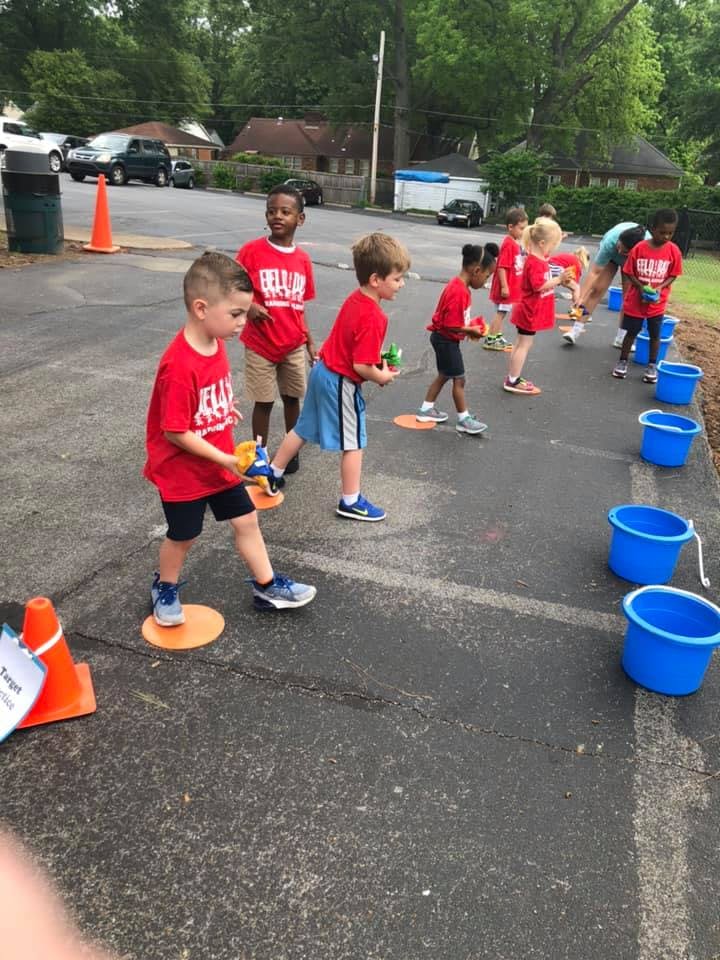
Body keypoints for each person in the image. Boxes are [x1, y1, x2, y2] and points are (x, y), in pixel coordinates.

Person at [144, 251, 316, 625]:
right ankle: (165, 586)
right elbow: (174, 430)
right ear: (202, 308)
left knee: (247, 521)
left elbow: (205, 400)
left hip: (218, 461)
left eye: (244, 313)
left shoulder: (216, 342)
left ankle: (267, 586)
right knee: (184, 535)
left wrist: (224, 408)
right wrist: (224, 459)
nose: (243, 323)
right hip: (184, 471)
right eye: (236, 314)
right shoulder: (179, 364)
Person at [266, 233, 410, 522]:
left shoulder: (355, 299)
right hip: (341, 382)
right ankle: (350, 500)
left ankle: (272, 474)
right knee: (354, 442)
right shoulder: (375, 316)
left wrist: (375, 361)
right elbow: (361, 366)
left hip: (323, 372)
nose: (401, 284)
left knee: (304, 428)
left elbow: (349, 343)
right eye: (397, 278)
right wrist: (382, 376)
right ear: (375, 279)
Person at [235, 184, 316, 475]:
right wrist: (249, 305)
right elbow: (231, 285)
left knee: (293, 397)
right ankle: (260, 454)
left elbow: (300, 306)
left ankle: (288, 451)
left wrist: (309, 342)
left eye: (285, 211)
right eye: (272, 211)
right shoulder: (252, 252)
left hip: (292, 343)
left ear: (300, 219)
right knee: (264, 402)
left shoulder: (303, 260)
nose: (277, 217)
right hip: (260, 344)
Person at [416, 243, 498, 434]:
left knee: (444, 374)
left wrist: (469, 328)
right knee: (459, 380)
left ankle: (426, 409)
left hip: (442, 338)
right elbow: (450, 324)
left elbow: (452, 320)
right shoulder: (459, 291)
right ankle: (464, 419)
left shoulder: (458, 286)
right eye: (487, 277)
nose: (486, 282)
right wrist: (471, 330)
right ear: (476, 270)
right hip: (446, 340)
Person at [503, 218, 574, 395]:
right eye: (552, 245)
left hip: (527, 309)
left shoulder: (538, 257)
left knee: (520, 344)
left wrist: (558, 236)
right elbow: (538, 285)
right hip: (529, 310)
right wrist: (559, 279)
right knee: (524, 345)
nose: (553, 250)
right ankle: (513, 380)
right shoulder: (536, 262)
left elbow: (543, 268)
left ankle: (513, 376)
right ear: (542, 243)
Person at [612, 208, 682, 383]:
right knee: (631, 333)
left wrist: (659, 288)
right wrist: (641, 287)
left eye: (670, 233)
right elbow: (628, 271)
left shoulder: (673, 251)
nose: (666, 236)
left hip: (657, 304)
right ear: (652, 229)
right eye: (662, 232)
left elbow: (673, 274)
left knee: (655, 335)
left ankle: (651, 365)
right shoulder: (639, 248)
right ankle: (622, 362)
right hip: (635, 302)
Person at [571, 221, 649, 347]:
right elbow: (595, 272)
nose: (620, 251)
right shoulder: (611, 241)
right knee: (596, 290)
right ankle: (574, 331)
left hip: (631, 262)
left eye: (623, 252)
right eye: (619, 247)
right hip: (611, 258)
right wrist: (580, 296)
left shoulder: (645, 247)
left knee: (628, 298)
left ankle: (621, 338)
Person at [484, 208, 527, 351]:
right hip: (506, 287)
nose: (523, 232)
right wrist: (504, 286)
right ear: (510, 227)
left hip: (510, 287)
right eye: (521, 228)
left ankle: (496, 336)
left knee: (502, 313)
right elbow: (502, 267)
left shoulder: (514, 243)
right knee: (500, 313)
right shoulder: (509, 244)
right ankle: (490, 339)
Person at [547, 246, 591, 344]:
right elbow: (575, 284)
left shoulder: (569, 258)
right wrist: (578, 297)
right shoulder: (576, 263)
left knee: (549, 287)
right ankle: (576, 312)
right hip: (555, 269)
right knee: (576, 288)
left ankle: (543, 308)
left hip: (547, 267)